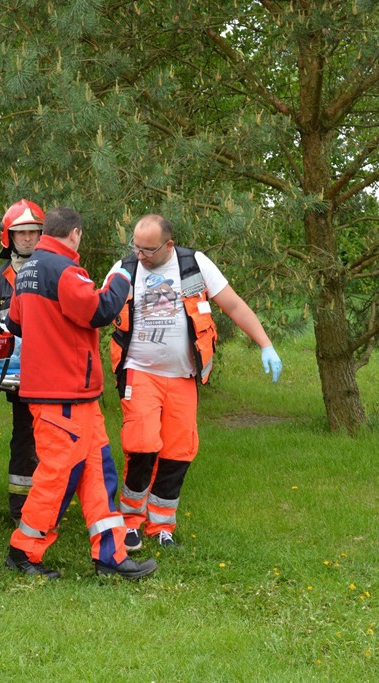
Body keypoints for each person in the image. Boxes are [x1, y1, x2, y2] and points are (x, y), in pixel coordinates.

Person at [109, 213, 283, 551]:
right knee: (141, 444)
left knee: (178, 452)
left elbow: (232, 304)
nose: (140, 255)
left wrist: (266, 344)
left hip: (183, 377)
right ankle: (129, 521)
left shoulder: (194, 264)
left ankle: (161, 525)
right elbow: (97, 310)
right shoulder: (124, 269)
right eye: (136, 247)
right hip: (139, 371)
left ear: (169, 245)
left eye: (149, 250)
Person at [4, 207, 157, 580]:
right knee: (57, 477)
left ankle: (111, 555)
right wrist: (122, 274)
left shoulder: (28, 272)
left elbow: (14, 321)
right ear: (74, 234)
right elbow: (100, 310)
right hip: (64, 395)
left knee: (99, 476)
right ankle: (24, 551)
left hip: (71, 395)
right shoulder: (65, 271)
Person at [0, 199, 44, 520]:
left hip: (51, 371)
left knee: (50, 439)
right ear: (10, 237)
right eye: (22, 233)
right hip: (18, 375)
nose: (29, 238)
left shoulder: (54, 270)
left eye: (34, 232)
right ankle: (21, 508)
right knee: (24, 438)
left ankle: (47, 502)